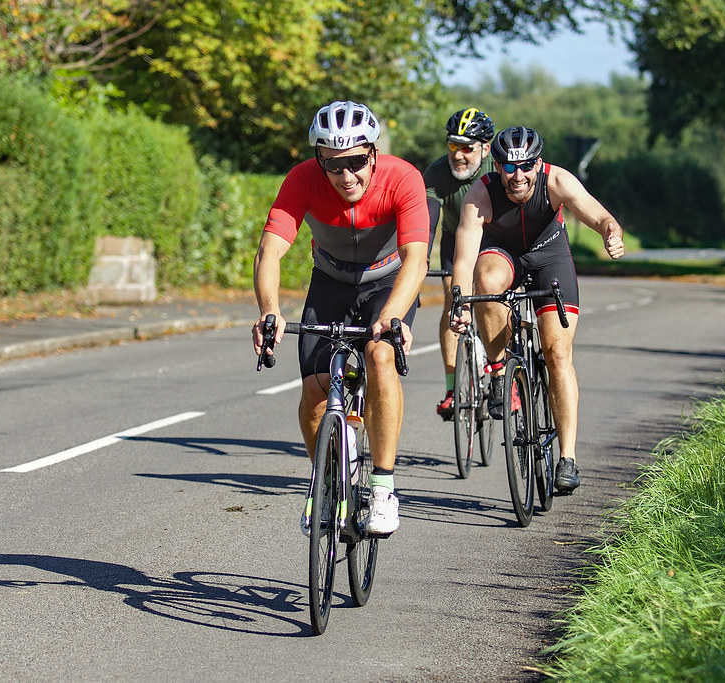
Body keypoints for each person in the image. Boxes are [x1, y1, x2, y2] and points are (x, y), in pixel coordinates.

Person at [252, 101, 430, 536]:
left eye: (355, 162)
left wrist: (391, 316)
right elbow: (270, 251)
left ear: (372, 153)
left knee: (379, 356)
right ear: (319, 161)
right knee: (314, 390)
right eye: (333, 165)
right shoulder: (301, 180)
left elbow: (417, 259)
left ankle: (384, 488)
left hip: (387, 281)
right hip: (330, 281)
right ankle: (327, 482)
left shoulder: (403, 177)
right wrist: (269, 310)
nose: (346, 176)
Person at [449, 126, 625, 493]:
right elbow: (464, 260)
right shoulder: (480, 195)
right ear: (496, 167)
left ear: (538, 163)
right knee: (487, 281)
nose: (518, 176)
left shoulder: (557, 180)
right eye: (509, 168)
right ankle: (499, 372)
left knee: (558, 353)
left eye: (526, 166)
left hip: (550, 256)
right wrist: (460, 301)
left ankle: (568, 458)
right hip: (504, 255)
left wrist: (610, 232)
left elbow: (597, 214)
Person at [423, 107, 496, 421]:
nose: (459, 155)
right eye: (454, 145)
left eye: (468, 147)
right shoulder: (437, 172)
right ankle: (454, 388)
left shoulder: (498, 168)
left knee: (498, 301)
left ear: (486, 148)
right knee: (454, 302)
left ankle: (503, 375)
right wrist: (419, 262)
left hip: (497, 241)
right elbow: (426, 223)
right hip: (456, 240)